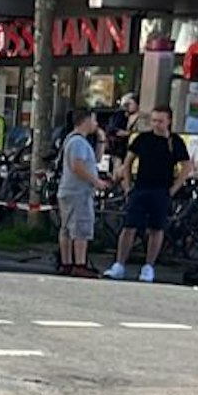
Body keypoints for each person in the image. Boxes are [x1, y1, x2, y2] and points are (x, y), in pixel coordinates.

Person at [104, 105, 188, 283]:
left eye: (160, 121)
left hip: (161, 189)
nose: (157, 124)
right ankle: (119, 264)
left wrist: (174, 188)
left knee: (156, 228)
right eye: (154, 120)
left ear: (169, 121)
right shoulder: (142, 139)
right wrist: (127, 186)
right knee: (129, 226)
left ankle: (149, 266)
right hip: (141, 187)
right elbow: (128, 162)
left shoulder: (175, 141)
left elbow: (186, 167)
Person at [55, 108, 108, 277]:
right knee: (80, 228)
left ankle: (66, 262)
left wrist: (101, 140)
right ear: (86, 121)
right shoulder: (77, 142)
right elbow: (77, 166)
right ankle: (79, 263)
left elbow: (97, 160)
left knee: (67, 228)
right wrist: (96, 181)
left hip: (70, 190)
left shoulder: (75, 140)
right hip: (78, 191)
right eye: (94, 120)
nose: (96, 124)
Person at [103, 93, 139, 160]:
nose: (127, 106)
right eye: (126, 104)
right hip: (118, 149)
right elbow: (111, 127)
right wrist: (118, 131)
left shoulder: (140, 118)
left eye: (130, 104)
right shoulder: (120, 115)